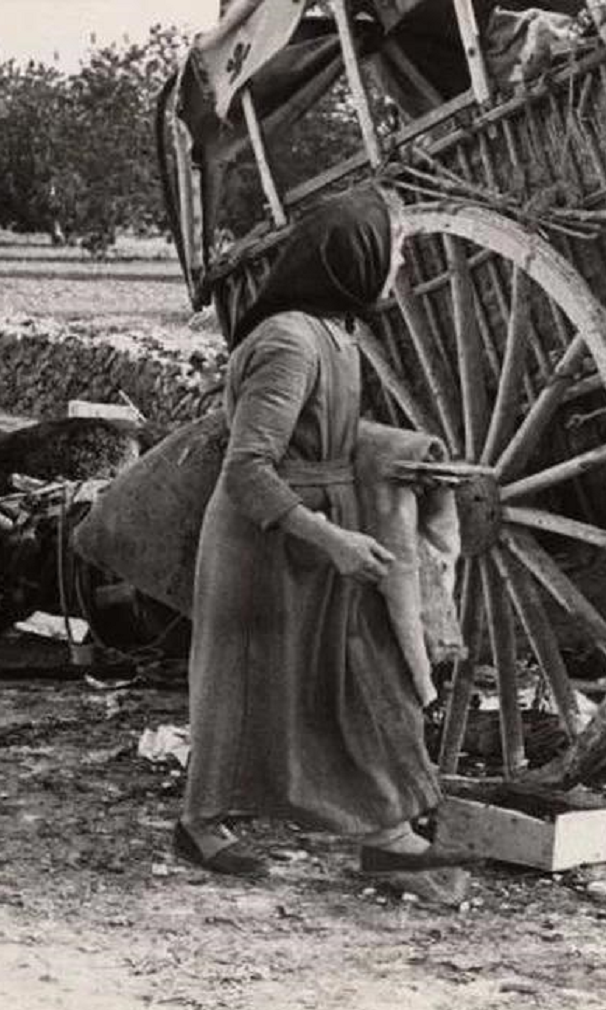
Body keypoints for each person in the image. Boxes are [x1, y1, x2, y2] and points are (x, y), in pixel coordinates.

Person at [176, 185, 468, 882]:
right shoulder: (289, 341)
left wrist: (404, 466)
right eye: (393, 248)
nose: (398, 263)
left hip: (319, 526)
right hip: (263, 539)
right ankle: (198, 825)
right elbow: (247, 468)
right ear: (354, 255)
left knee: (359, 676)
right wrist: (330, 539)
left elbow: (332, 437)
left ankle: (389, 831)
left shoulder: (337, 335)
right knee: (238, 687)